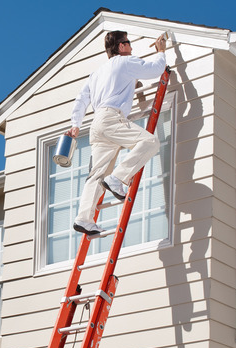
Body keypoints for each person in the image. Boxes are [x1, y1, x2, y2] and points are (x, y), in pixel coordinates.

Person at [66, 31, 167, 236]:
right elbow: (156, 69)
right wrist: (161, 51)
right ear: (121, 47)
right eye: (129, 43)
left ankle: (84, 218)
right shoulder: (125, 62)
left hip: (97, 124)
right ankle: (118, 178)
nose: (131, 47)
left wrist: (75, 124)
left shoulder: (96, 74)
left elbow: (81, 99)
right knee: (151, 142)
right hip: (112, 118)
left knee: (96, 174)